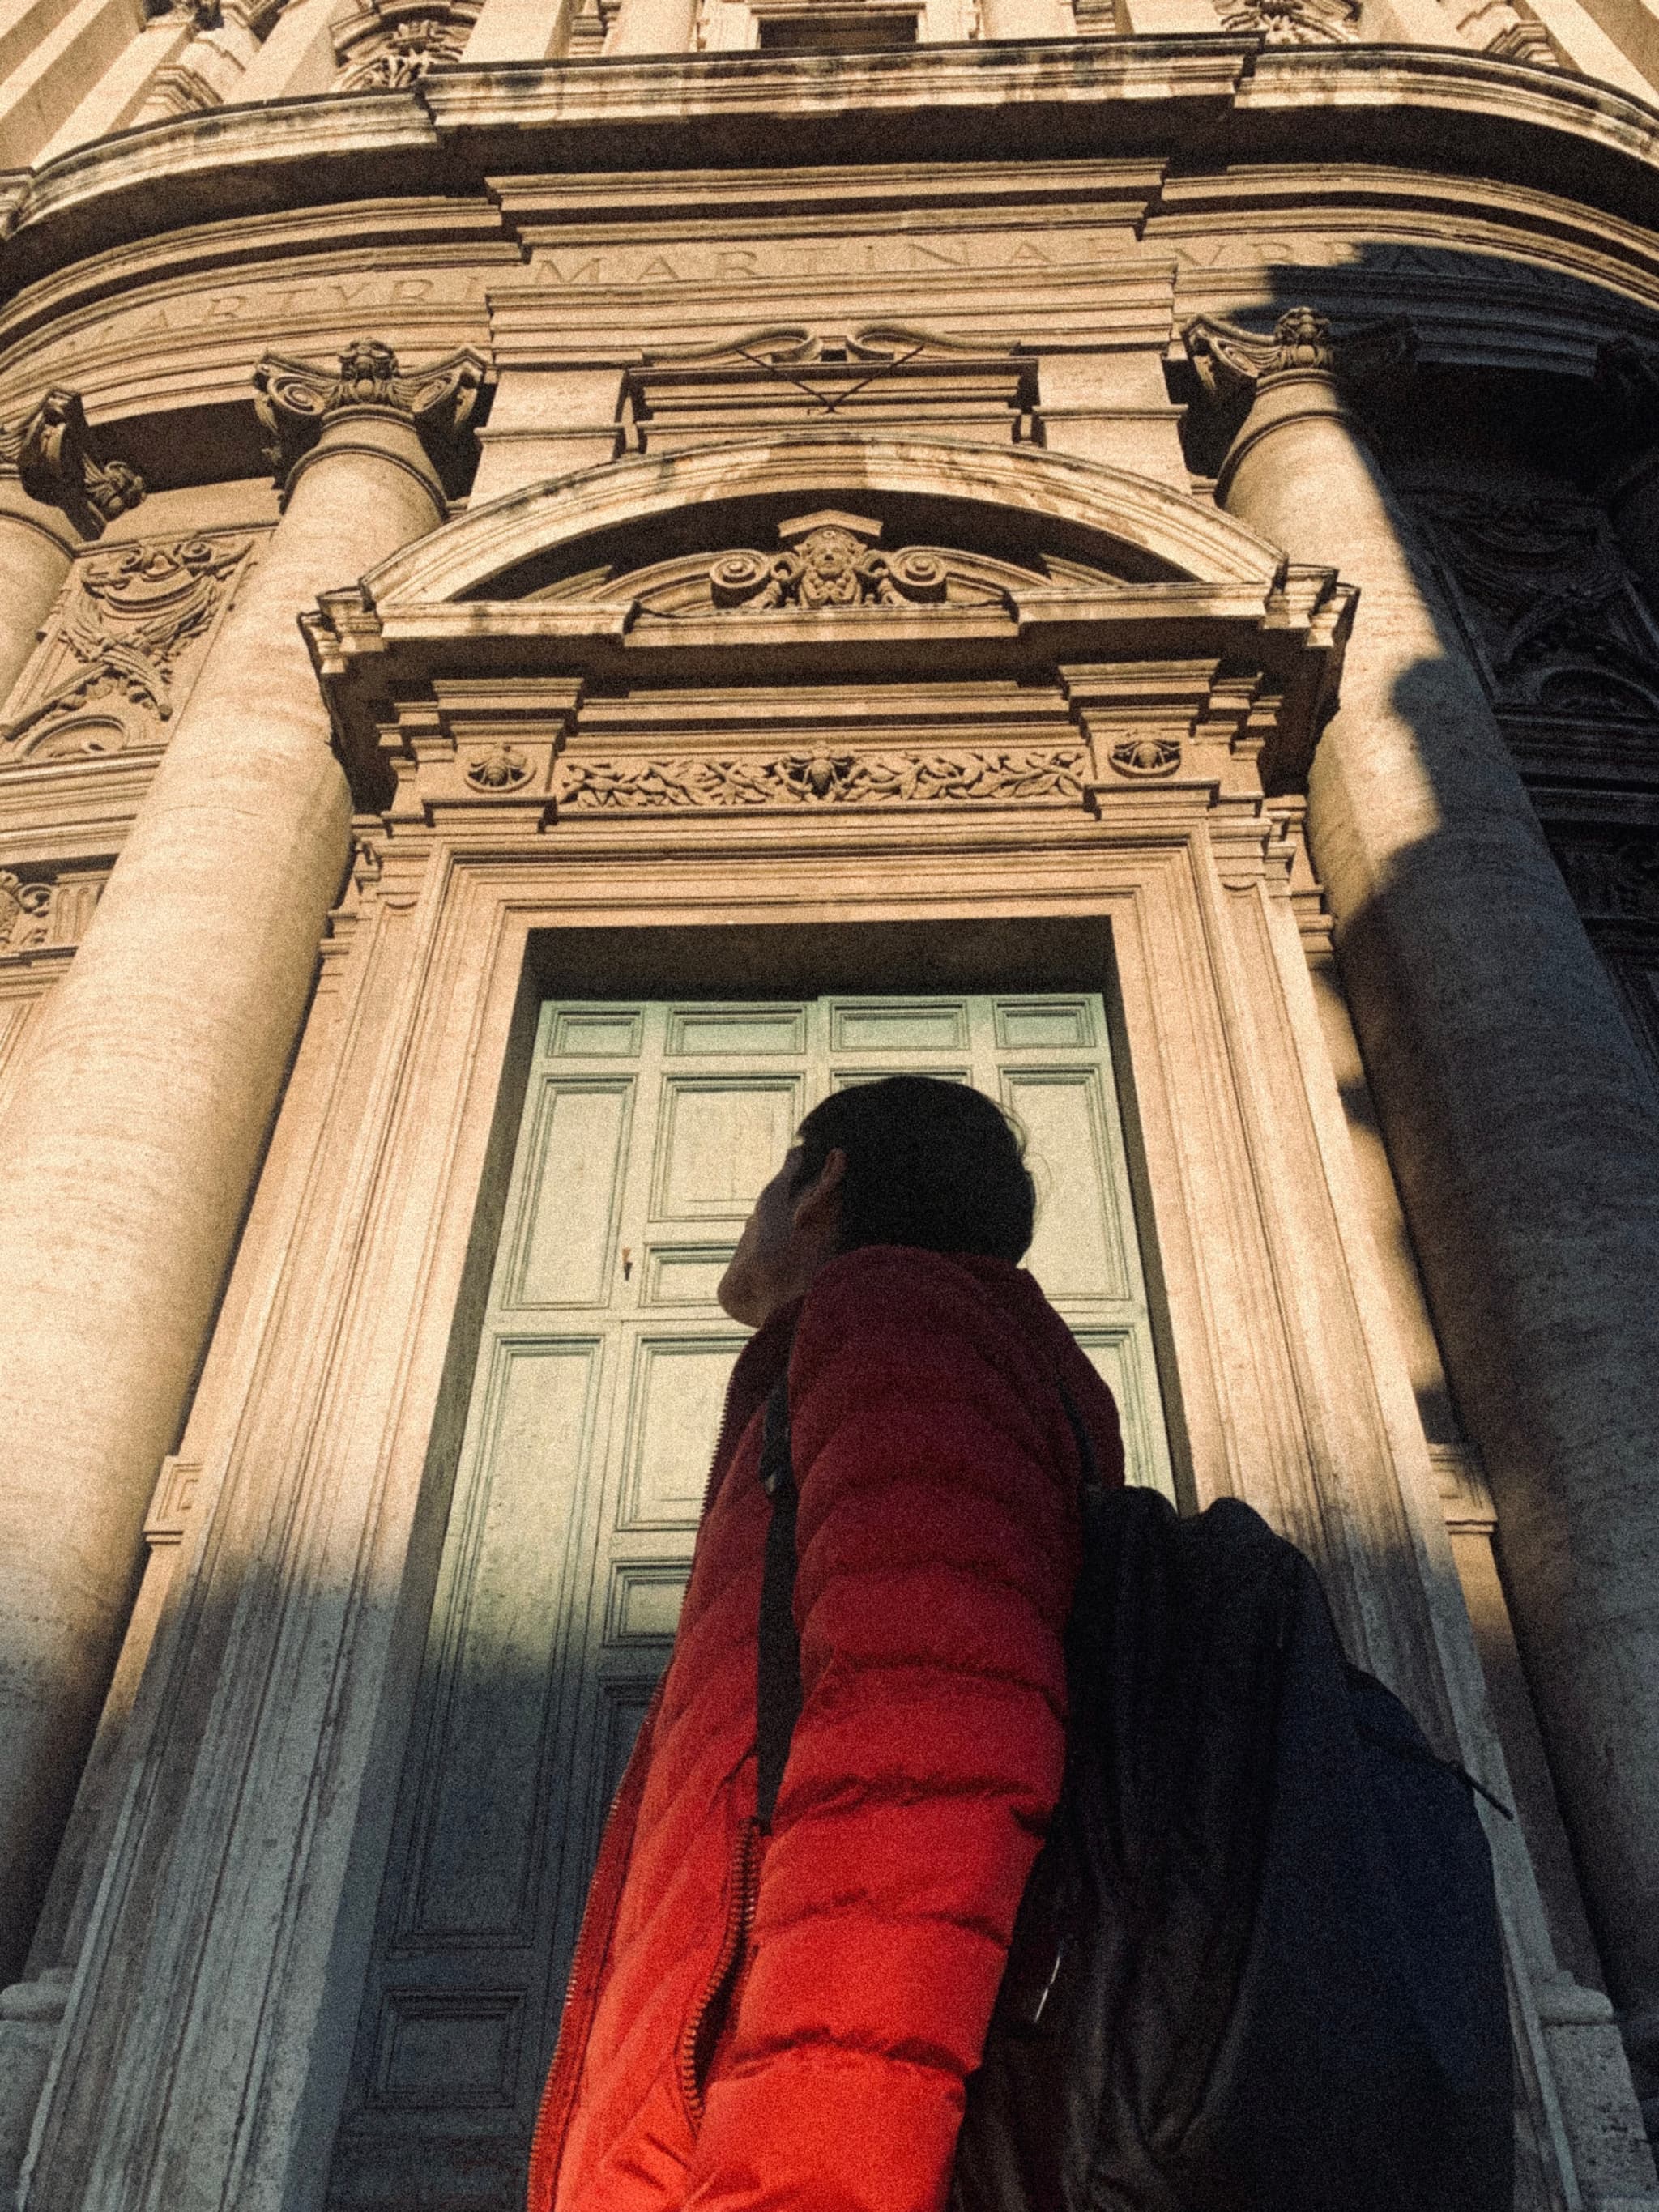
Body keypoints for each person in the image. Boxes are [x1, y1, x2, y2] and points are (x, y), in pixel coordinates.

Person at [527, 1076, 1125, 2212]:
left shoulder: (895, 1321)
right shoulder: (951, 1351)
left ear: (824, 1183)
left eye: (769, 1179)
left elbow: (926, 1768)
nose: (748, 1212)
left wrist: (804, 2188)